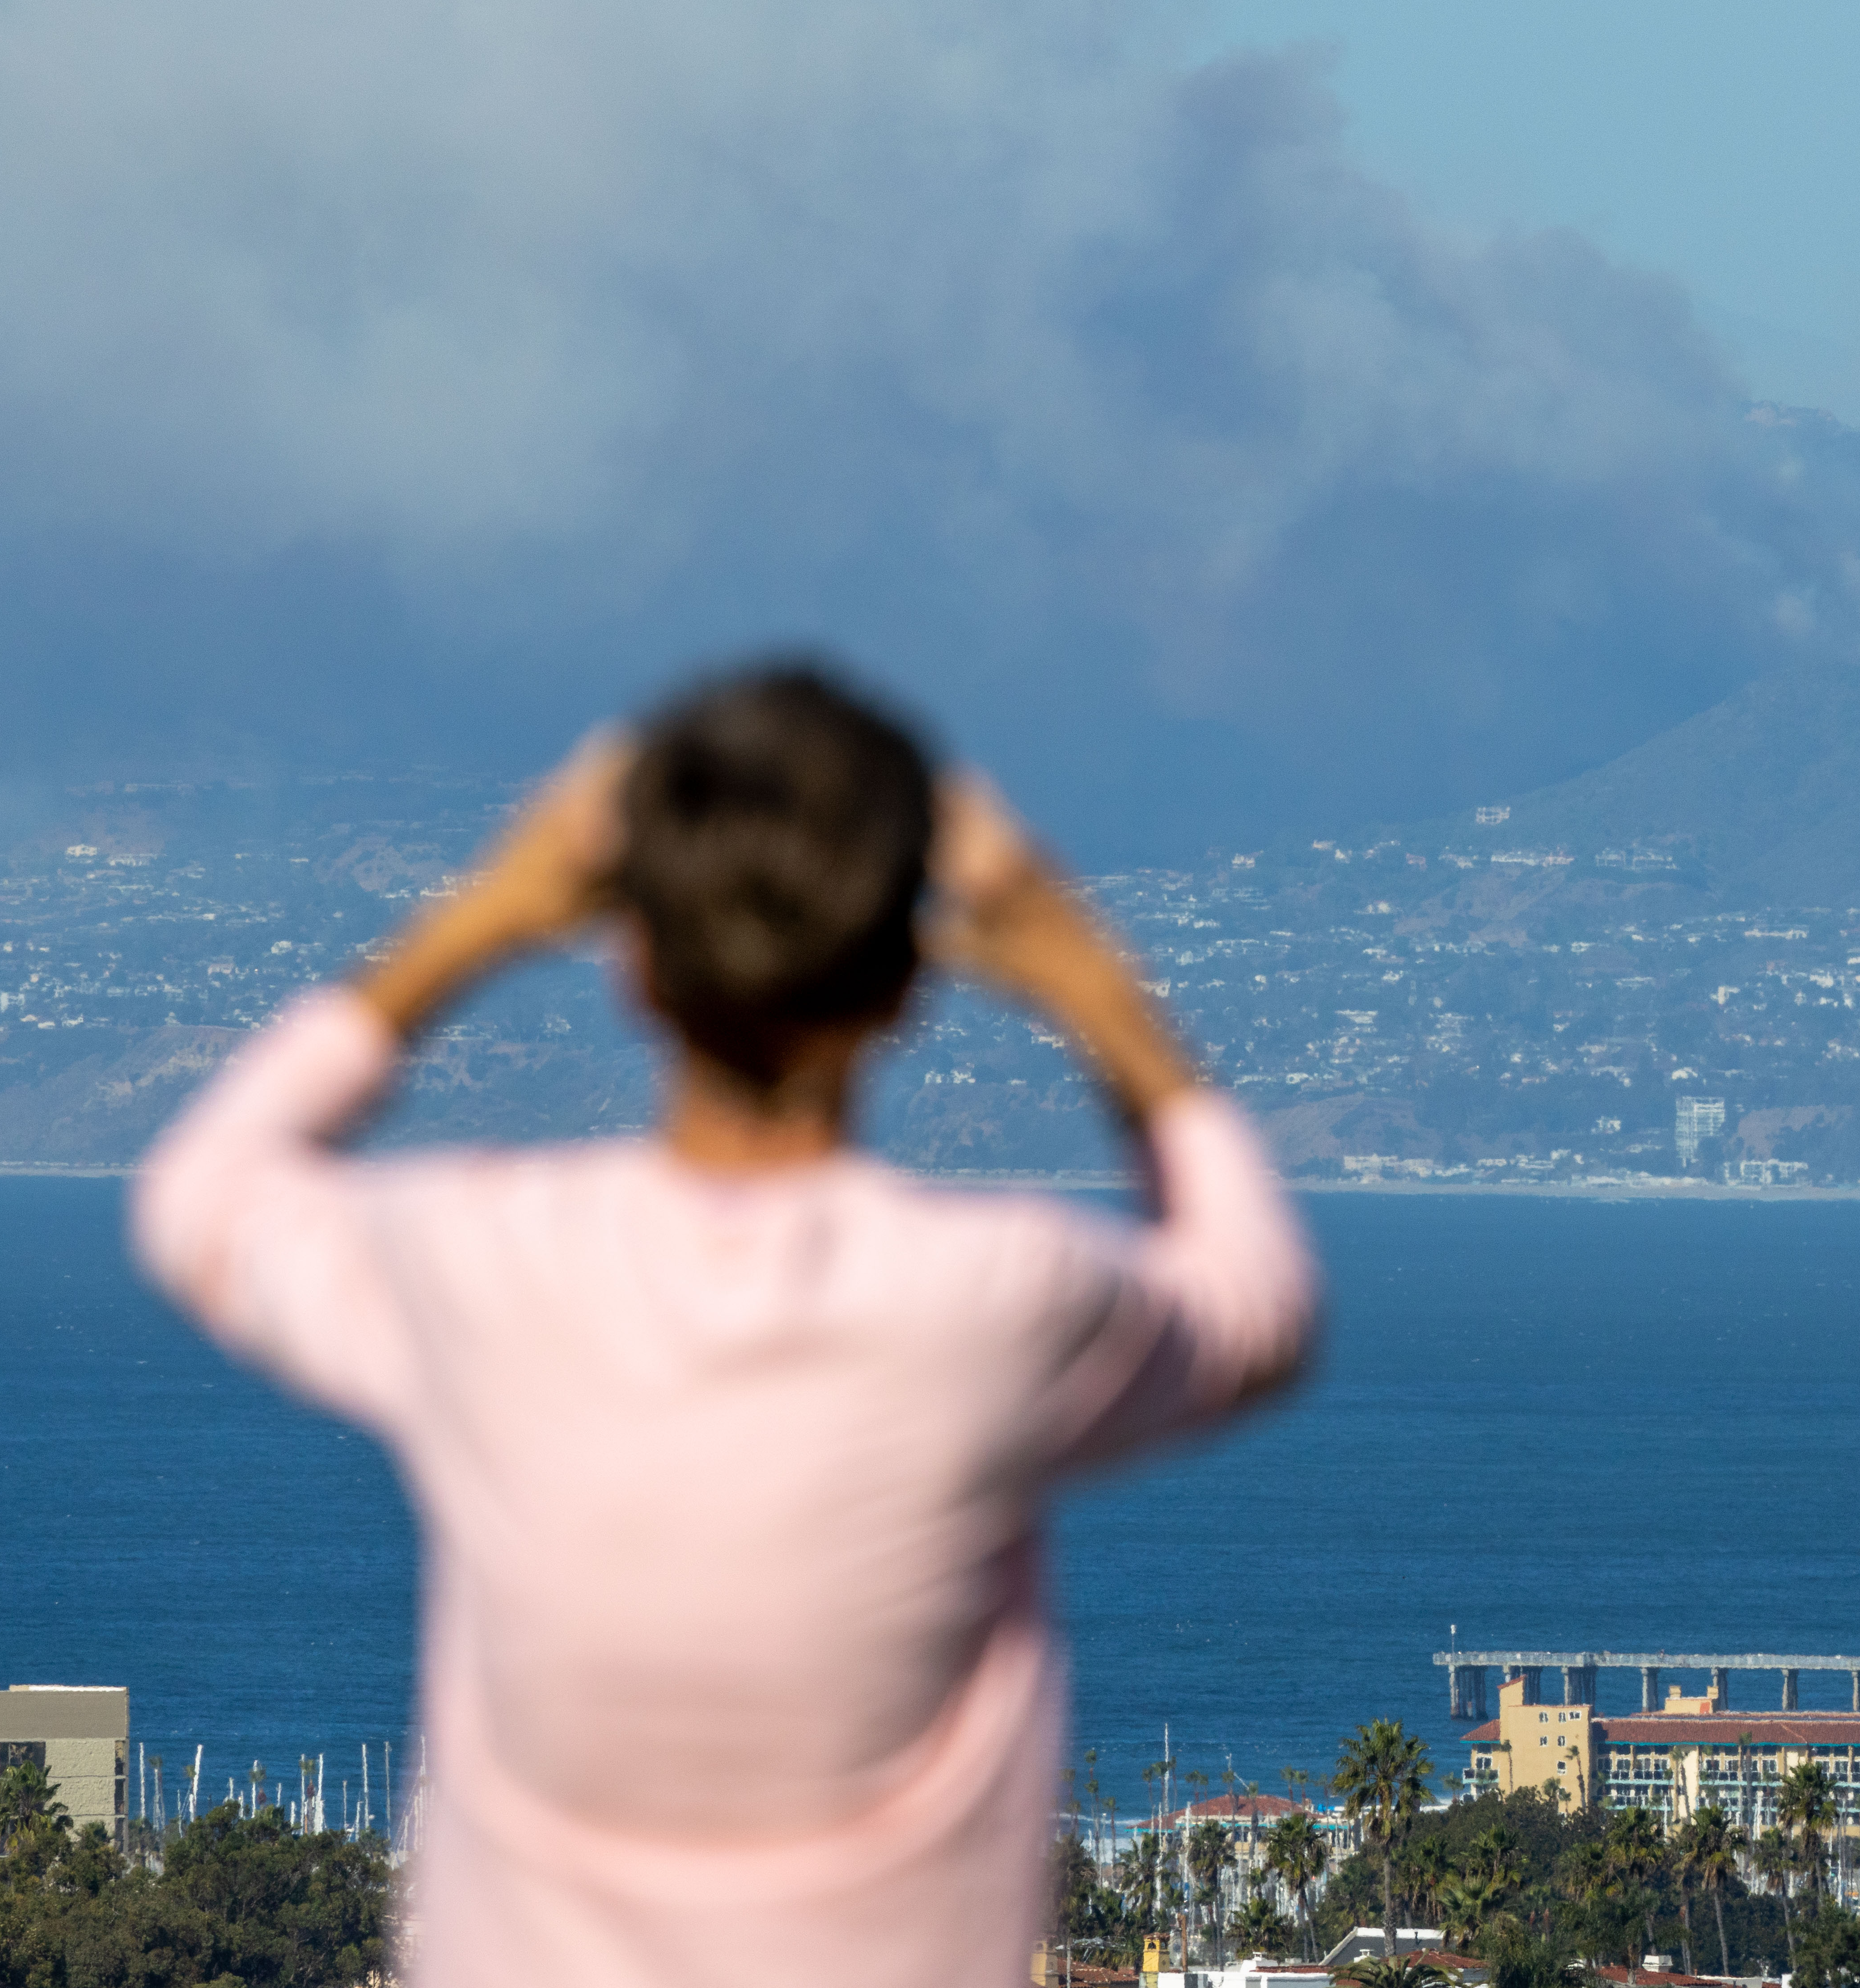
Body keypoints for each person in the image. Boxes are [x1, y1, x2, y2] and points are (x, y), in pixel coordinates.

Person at [131, 664, 1317, 1988]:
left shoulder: (485, 1264)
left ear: (632, 964)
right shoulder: (994, 1298)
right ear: (900, 991)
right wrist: (1084, 977)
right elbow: (1256, 1300)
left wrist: (485, 915)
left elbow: (204, 1200)